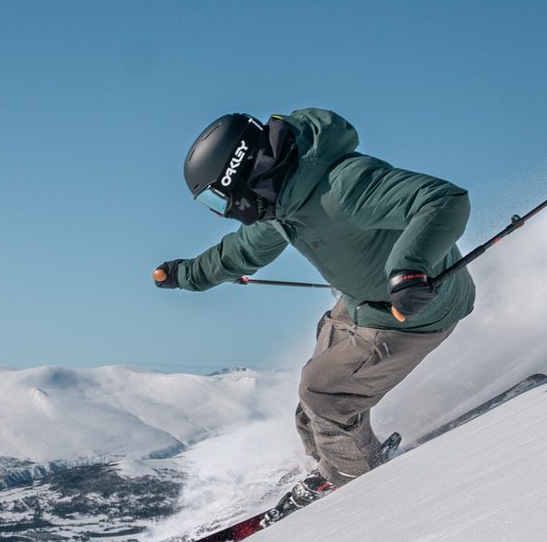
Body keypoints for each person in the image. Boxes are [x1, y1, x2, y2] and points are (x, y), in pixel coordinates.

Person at [154, 109, 474, 512]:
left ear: (241, 172)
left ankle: (360, 493)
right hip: (364, 306)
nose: (223, 211)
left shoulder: (342, 185)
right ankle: (332, 465)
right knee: (314, 398)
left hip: (416, 308)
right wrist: (186, 274)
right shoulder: (283, 205)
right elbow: (241, 250)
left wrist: (409, 268)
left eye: (217, 198)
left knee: (322, 392)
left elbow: (443, 200)